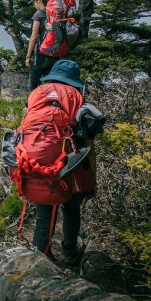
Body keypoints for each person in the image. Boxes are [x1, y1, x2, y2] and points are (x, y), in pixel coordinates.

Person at [30, 60, 97, 265]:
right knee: (71, 209)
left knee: (44, 216)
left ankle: (40, 258)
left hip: (39, 166)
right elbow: (88, 146)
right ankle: (69, 252)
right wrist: (92, 178)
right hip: (70, 166)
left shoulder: (37, 96)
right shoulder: (79, 100)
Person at [25, 0, 60, 91]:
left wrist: (28, 56)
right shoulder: (56, 13)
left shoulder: (39, 14)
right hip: (55, 53)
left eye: (34, 2)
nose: (34, 5)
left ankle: (32, 104)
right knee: (49, 83)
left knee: (32, 85)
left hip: (41, 54)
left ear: (38, 0)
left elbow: (33, 37)